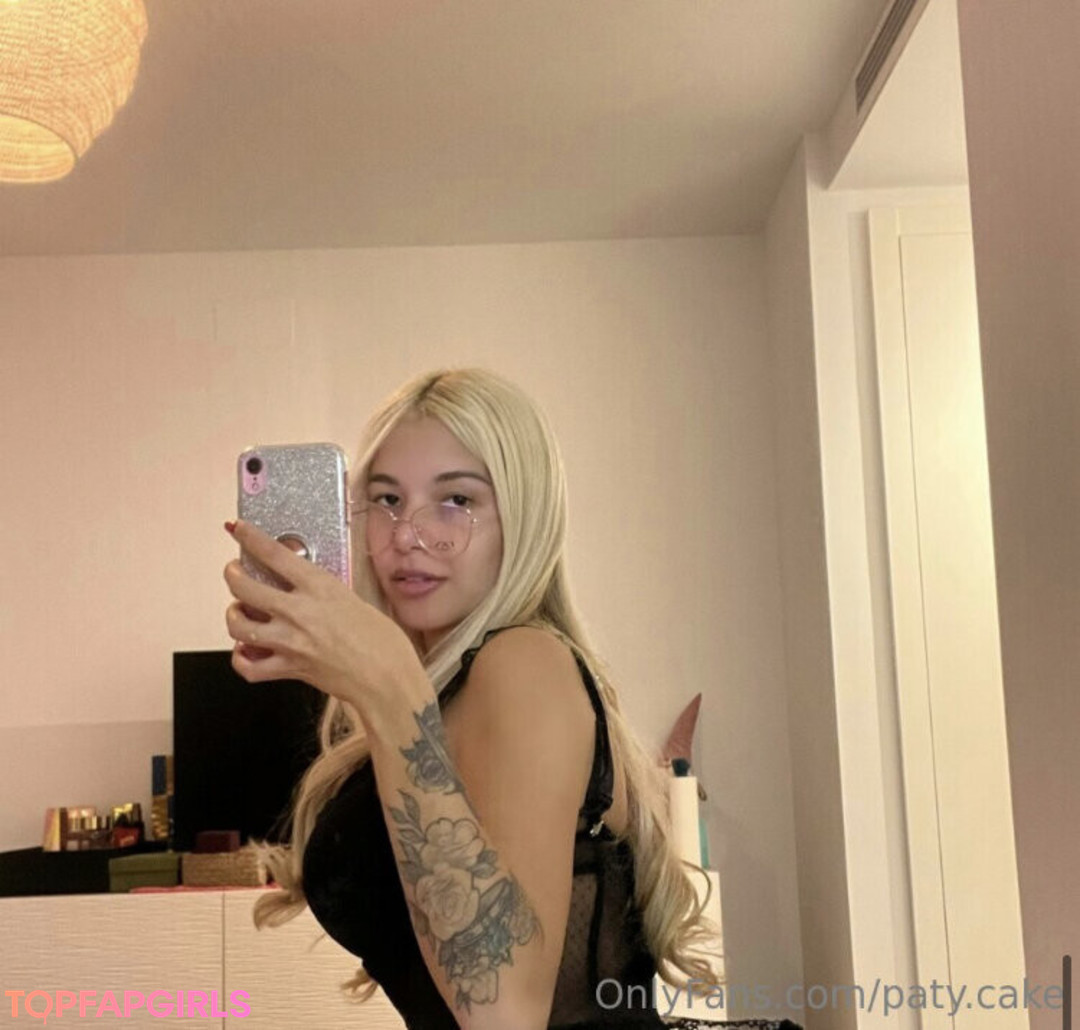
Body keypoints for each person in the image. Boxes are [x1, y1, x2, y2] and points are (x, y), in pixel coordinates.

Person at [221, 368, 747, 1029]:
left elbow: (504, 1015)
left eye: (456, 500)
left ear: (523, 520)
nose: (407, 535)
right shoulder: (445, 691)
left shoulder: (524, 662)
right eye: (386, 499)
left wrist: (388, 689)